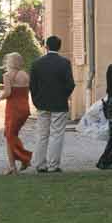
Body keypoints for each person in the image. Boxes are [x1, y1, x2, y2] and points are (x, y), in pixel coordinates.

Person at [29, 35, 76, 173]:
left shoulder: (37, 63)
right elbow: (70, 84)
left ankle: (39, 164)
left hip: (42, 103)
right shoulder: (64, 63)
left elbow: (33, 85)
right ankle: (53, 165)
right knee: (57, 135)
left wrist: (36, 100)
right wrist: (64, 97)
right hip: (59, 104)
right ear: (59, 47)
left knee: (42, 134)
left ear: (46, 46)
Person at [0, 52, 33, 173]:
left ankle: (23, 159)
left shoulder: (7, 75)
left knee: (10, 136)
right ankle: (14, 165)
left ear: (10, 62)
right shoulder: (25, 75)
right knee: (10, 135)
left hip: (13, 109)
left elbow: (8, 93)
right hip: (24, 109)